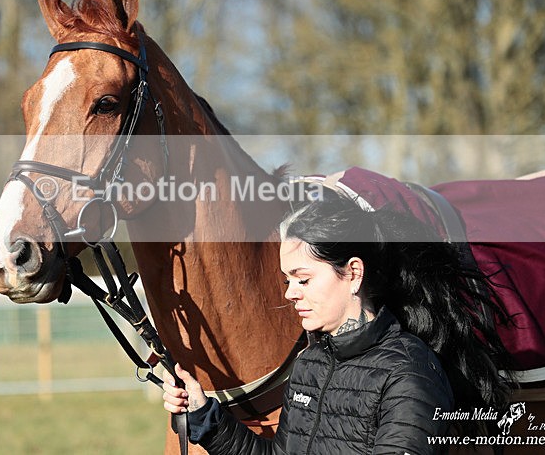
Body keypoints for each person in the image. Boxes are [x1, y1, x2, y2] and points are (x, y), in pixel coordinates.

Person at [162, 189, 514, 454]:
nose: (289, 294)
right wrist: (204, 414)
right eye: (288, 280)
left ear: (353, 274)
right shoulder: (310, 364)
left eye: (303, 279)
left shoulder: (409, 371)